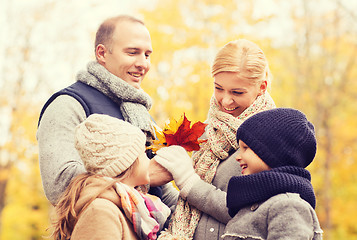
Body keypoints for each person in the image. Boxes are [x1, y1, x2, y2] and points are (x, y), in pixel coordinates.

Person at [36, 15, 177, 207]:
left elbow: (161, 193)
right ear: (102, 53)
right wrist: (141, 176)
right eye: (132, 52)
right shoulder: (68, 104)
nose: (143, 64)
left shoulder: (142, 116)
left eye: (147, 55)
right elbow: (59, 185)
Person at [153, 39, 276, 240]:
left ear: (262, 87)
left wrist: (189, 182)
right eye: (219, 88)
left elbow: (253, 213)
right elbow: (189, 208)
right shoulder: (209, 132)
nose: (225, 101)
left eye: (237, 92)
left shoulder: (274, 136)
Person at [51, 114, 171, 240]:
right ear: (127, 163)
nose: (149, 160)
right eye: (143, 154)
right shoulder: (101, 212)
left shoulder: (132, 210)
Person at [222, 108, 323, 239]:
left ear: (273, 153)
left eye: (245, 148)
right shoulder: (254, 205)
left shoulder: (287, 206)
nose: (238, 157)